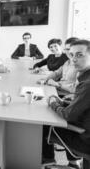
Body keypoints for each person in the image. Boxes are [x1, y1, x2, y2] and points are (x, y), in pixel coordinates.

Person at [43, 39, 90, 168]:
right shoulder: (85, 78)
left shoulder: (87, 83)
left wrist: (54, 103)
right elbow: (81, 105)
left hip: (84, 139)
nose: (74, 59)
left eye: (79, 55)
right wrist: (62, 102)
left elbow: (68, 115)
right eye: (72, 54)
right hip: (84, 127)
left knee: (42, 126)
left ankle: (48, 161)